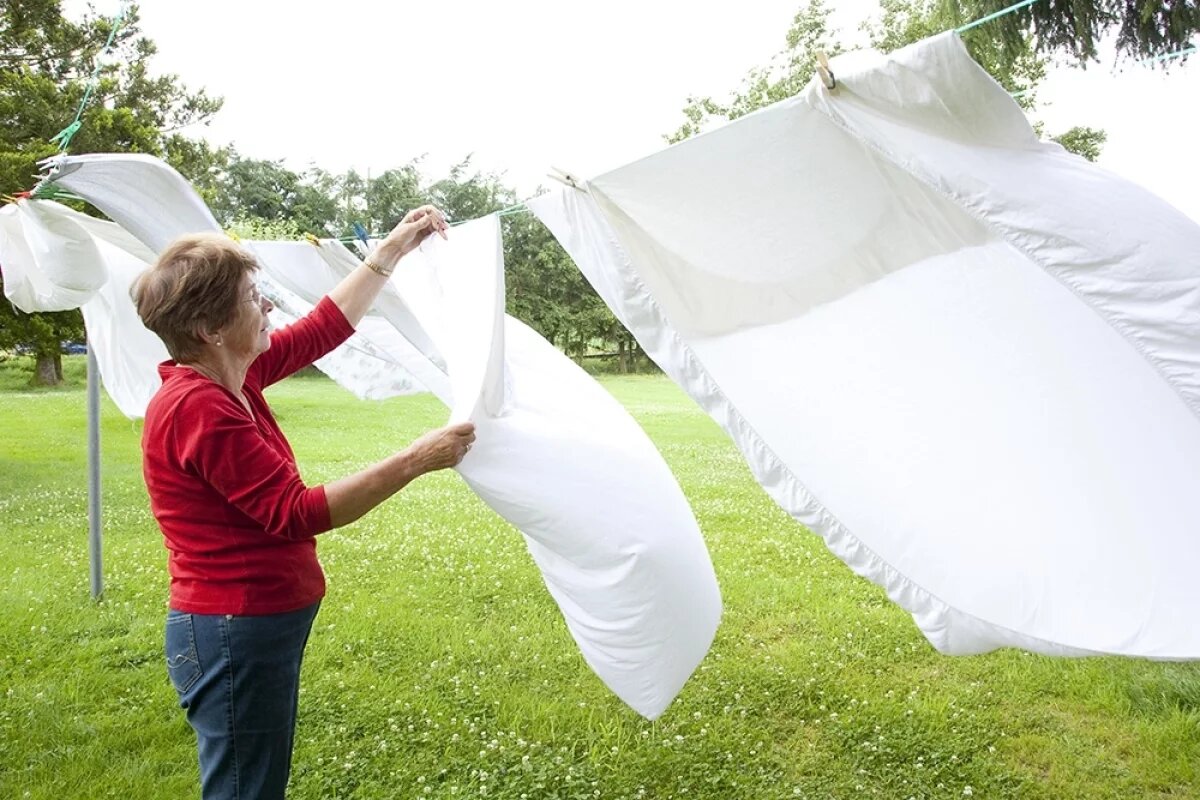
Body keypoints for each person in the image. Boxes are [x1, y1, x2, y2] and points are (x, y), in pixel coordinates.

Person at [131, 206, 475, 799]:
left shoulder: (234, 378)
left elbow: (323, 328)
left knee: (254, 780)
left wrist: (391, 248)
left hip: (252, 623)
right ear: (211, 328)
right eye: (252, 297)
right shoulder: (198, 406)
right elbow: (297, 513)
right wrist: (415, 460)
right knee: (245, 788)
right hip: (233, 628)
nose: (267, 307)